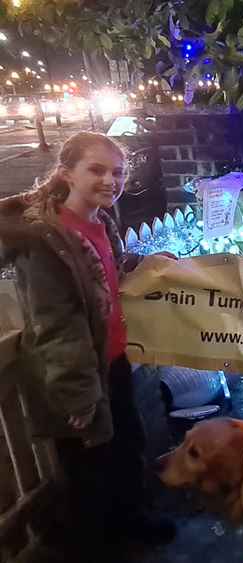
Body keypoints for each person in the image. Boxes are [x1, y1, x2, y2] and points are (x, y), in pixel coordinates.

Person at [0, 132, 176, 557]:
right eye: (96, 170)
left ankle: (132, 522)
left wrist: (143, 263)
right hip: (76, 378)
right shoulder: (46, 240)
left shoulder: (98, 220)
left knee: (126, 448)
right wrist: (79, 400)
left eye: (117, 172)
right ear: (66, 173)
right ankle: (101, 547)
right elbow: (58, 326)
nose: (110, 180)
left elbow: (103, 272)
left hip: (110, 361)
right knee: (89, 473)